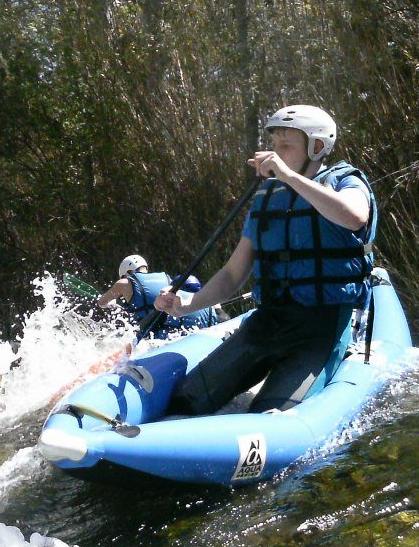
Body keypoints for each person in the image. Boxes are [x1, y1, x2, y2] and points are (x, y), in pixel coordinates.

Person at [155, 105, 376, 414]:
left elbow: (354, 216)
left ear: (317, 147)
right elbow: (233, 274)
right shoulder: (267, 197)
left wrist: (287, 176)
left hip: (320, 330)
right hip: (268, 323)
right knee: (185, 401)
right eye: (274, 144)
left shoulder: (346, 181)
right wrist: (188, 305)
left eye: (286, 144)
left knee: (270, 412)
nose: (275, 152)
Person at [97, 255, 217, 335]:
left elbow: (101, 303)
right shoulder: (167, 278)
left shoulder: (124, 282)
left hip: (148, 334)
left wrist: (112, 305)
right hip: (174, 329)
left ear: (126, 273)